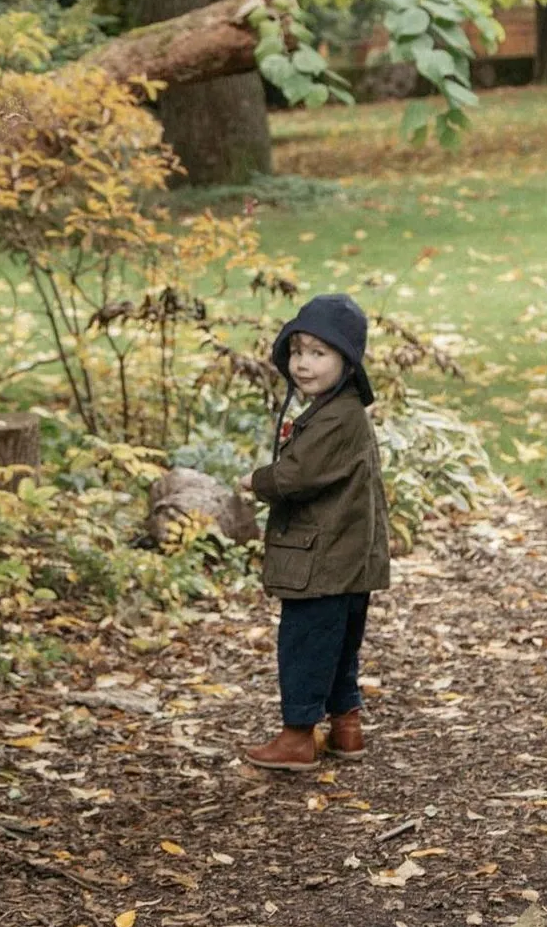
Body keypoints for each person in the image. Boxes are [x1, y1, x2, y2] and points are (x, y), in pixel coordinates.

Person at [239, 293, 390, 771]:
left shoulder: (336, 418)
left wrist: (256, 481)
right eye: (298, 351)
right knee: (340, 643)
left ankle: (298, 735)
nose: (302, 364)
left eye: (318, 354)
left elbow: (296, 477)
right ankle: (346, 726)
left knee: (306, 643)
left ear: (347, 361)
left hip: (322, 558)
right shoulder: (338, 411)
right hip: (347, 557)